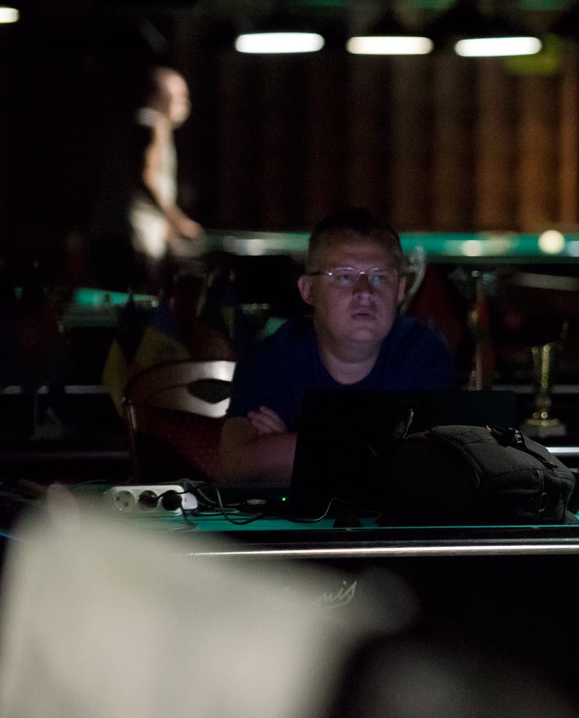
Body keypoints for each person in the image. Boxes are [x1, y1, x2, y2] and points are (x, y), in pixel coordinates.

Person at [217, 208, 454, 483]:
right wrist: (386, 448)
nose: (365, 292)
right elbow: (236, 463)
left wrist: (297, 445)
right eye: (344, 276)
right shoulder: (273, 357)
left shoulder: (423, 352)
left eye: (380, 277)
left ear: (400, 290)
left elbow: (442, 464)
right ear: (308, 290)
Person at [88, 64, 203, 292]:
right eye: (179, 95)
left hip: (111, 237)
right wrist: (178, 221)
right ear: (157, 96)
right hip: (132, 241)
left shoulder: (136, 124)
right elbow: (146, 178)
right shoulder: (153, 124)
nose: (185, 103)